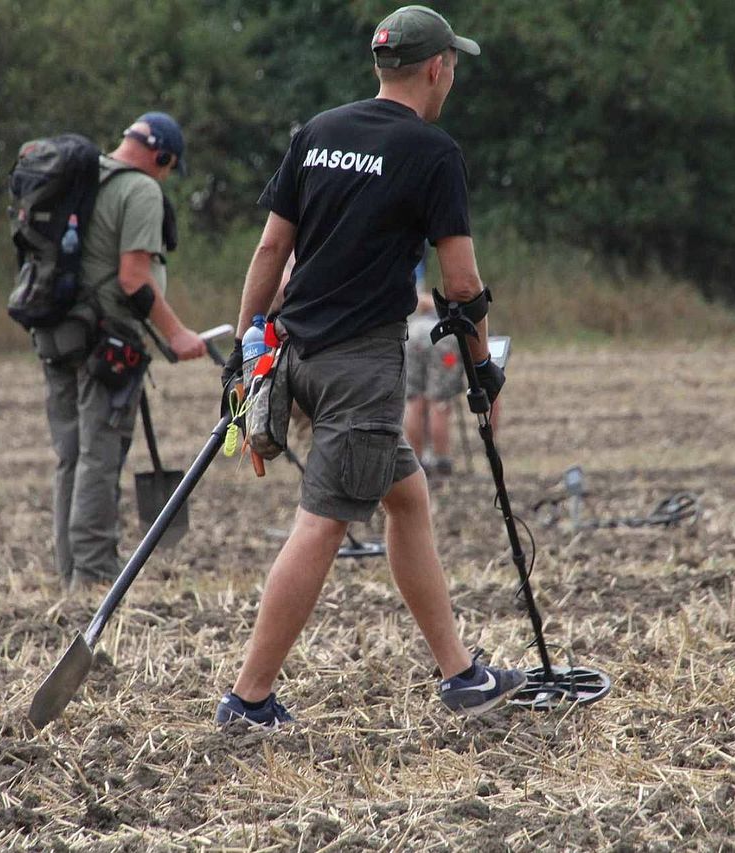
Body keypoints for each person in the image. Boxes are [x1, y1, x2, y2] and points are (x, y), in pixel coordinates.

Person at [216, 5, 526, 728]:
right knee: (322, 523)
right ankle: (248, 698)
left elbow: (270, 252)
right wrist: (480, 362)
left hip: (294, 352)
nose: (451, 76)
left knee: (407, 497)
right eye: (453, 65)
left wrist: (244, 349)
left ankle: (460, 676)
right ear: (436, 68)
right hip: (361, 368)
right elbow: (459, 281)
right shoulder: (433, 152)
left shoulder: (318, 133)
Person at [45, 112, 206, 590]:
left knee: (70, 455)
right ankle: (94, 574)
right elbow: (133, 278)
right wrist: (177, 334)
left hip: (56, 333)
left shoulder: (79, 178)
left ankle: (70, 570)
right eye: (168, 168)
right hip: (106, 343)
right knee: (99, 454)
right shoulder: (139, 190)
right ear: (163, 157)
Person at [405, 250, 465, 476]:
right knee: (439, 401)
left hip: (411, 335)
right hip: (437, 336)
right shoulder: (414, 262)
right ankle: (442, 462)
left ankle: (417, 462)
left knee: (414, 400)